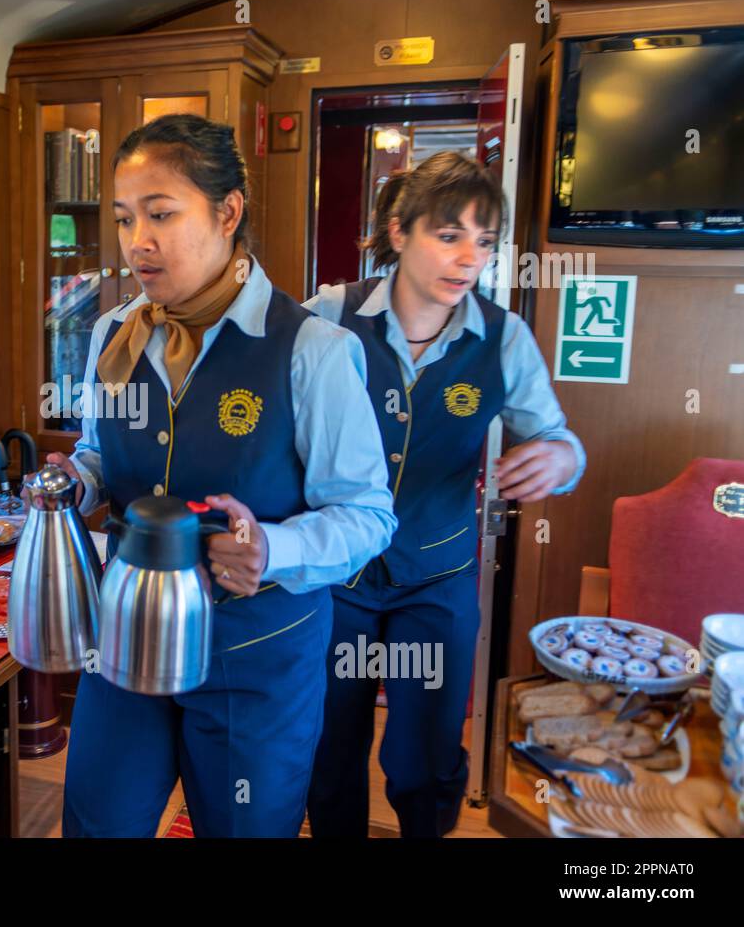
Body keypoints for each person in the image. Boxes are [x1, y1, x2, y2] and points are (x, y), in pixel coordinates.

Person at [43, 113, 396, 838]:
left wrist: (272, 548)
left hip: (257, 657)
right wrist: (76, 484)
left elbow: (368, 515)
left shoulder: (314, 351)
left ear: (228, 211)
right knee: (96, 821)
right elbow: (104, 459)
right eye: (124, 218)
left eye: (161, 214)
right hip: (129, 635)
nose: (138, 240)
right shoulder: (113, 335)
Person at [305, 151, 586, 838]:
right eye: (448, 234)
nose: (468, 258)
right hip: (335, 577)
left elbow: (556, 435)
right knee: (327, 741)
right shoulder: (326, 318)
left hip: (438, 577)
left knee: (426, 753)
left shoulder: (502, 337)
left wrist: (558, 456)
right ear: (399, 233)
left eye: (484, 241)